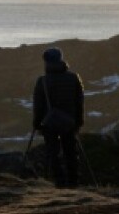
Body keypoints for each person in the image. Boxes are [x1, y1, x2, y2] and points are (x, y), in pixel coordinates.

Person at [32, 47, 85, 188]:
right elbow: (79, 102)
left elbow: (38, 106)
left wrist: (37, 124)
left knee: (53, 153)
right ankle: (73, 182)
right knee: (71, 153)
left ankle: (60, 183)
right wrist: (78, 122)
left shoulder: (42, 81)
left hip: (49, 123)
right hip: (69, 122)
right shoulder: (74, 78)